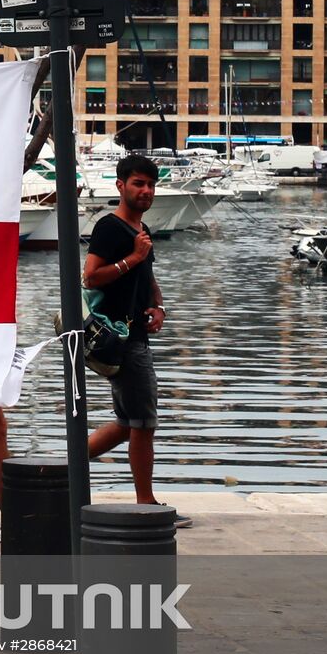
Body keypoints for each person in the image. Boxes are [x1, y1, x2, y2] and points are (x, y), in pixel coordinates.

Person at [84, 153, 190, 528]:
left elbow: (148, 278)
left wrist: (159, 307)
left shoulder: (140, 231)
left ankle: (65, 467)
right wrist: (132, 257)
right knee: (143, 423)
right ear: (121, 185)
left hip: (136, 335)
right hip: (120, 338)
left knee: (128, 422)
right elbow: (91, 276)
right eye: (138, 184)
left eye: (151, 185)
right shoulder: (110, 227)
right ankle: (147, 505)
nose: (146, 191)